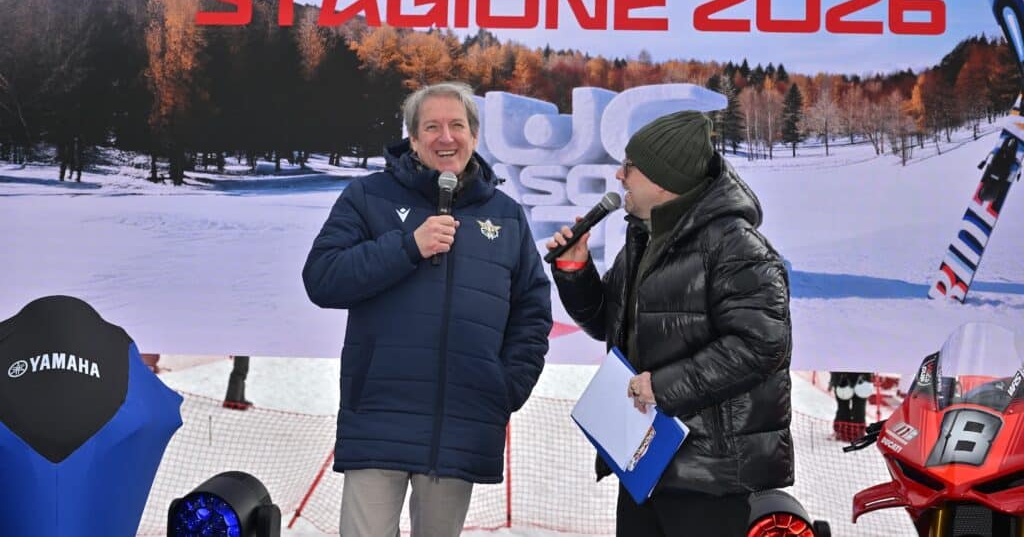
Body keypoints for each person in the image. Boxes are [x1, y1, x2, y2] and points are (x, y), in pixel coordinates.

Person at [303, 81, 552, 537]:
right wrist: (407, 247)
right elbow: (322, 278)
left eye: (457, 125)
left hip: (460, 426)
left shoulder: (508, 216)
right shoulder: (368, 198)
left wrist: (504, 388)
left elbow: (532, 314)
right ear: (413, 140)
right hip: (379, 417)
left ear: (474, 137)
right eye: (431, 127)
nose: (446, 137)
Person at [546, 110, 793, 537]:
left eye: (631, 167)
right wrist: (575, 272)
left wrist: (662, 387)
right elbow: (608, 323)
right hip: (647, 463)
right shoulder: (645, 235)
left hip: (711, 474)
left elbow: (762, 346)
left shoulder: (737, 246)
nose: (619, 175)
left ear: (662, 180)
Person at [829, 372, 873, 442]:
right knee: (845, 408)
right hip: (844, 376)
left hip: (860, 377)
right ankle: (844, 432)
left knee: (857, 408)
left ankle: (853, 432)